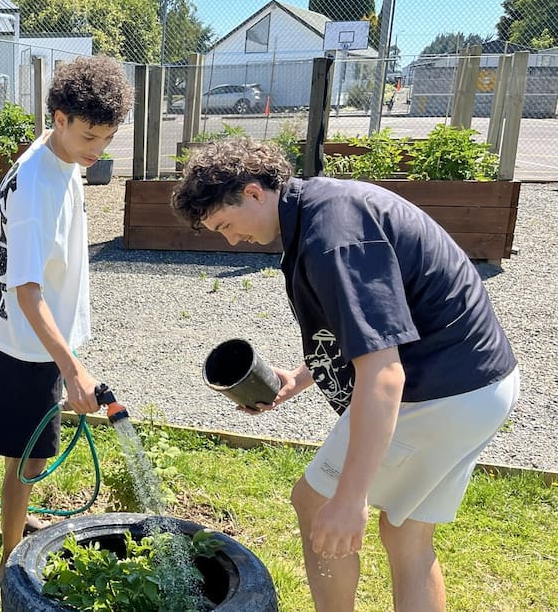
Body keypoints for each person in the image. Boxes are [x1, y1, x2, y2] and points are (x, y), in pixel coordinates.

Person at [170, 138, 519, 611]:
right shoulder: (321, 209)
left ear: (254, 193)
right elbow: (362, 331)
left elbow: (384, 373)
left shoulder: (331, 237)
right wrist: (298, 378)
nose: (231, 240)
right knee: (405, 534)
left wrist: (351, 499)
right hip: (480, 386)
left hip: (435, 392)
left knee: (318, 505)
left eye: (227, 225)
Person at [0, 55, 132, 583]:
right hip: (27, 343)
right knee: (25, 459)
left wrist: (69, 359)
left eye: (107, 138)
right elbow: (25, 291)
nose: (98, 151)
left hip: (45, 340)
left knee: (35, 451)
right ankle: (8, 561)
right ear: (59, 115)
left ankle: (15, 524)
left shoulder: (64, 159)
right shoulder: (35, 185)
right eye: (90, 136)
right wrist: (71, 369)